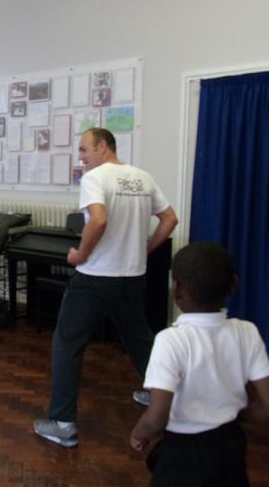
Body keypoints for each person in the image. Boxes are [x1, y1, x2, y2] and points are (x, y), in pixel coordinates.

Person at [34, 127, 178, 447]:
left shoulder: (95, 178)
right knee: (140, 339)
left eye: (84, 149)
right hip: (133, 277)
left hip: (95, 279)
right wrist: (146, 251)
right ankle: (162, 397)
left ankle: (62, 422)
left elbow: (98, 220)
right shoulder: (142, 177)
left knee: (67, 343)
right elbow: (169, 219)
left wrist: (80, 254)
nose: (81, 157)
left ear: (103, 146)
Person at [129, 242, 269, 486]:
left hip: (182, 451)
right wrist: (231, 414)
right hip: (230, 445)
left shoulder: (170, 340)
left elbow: (157, 417)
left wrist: (140, 432)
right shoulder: (247, 332)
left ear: (176, 289)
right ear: (233, 285)